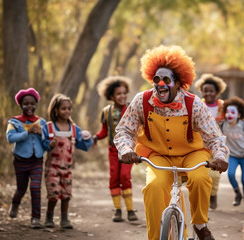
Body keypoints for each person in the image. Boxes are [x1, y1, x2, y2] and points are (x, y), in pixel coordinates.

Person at [114, 45, 229, 240]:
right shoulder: (141, 101)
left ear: (178, 83)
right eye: (156, 79)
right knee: (154, 188)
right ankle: (155, 237)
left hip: (192, 154)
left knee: (200, 179)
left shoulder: (195, 104)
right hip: (158, 155)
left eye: (166, 80)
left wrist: (219, 156)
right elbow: (125, 130)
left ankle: (200, 225)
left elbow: (214, 137)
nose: (160, 84)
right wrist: (126, 149)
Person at [41, 93, 93, 229]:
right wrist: (49, 144)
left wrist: (88, 139)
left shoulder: (74, 129)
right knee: (53, 193)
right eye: (63, 108)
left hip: (67, 169)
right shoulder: (49, 127)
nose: (67, 111)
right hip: (52, 167)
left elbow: (83, 145)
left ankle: (64, 219)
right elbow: (43, 143)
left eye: (69, 108)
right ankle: (49, 217)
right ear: (56, 110)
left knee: (66, 194)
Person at [93, 76, 138, 222]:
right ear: (111, 96)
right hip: (113, 150)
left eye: (124, 93)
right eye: (119, 94)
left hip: (129, 150)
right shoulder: (106, 112)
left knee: (125, 176)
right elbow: (104, 131)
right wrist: (95, 138)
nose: (122, 96)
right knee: (114, 178)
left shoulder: (132, 109)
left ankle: (130, 210)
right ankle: (118, 210)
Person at [6, 88, 47, 229]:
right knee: (21, 189)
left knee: (35, 187)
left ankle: (35, 218)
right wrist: (27, 131)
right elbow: (10, 138)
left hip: (37, 160)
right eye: (26, 103)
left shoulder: (41, 122)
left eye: (32, 103)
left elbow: (46, 142)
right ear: (20, 105)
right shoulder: (14, 122)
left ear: (36, 104)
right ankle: (15, 203)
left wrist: (43, 135)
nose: (29, 106)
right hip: (21, 160)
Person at [194, 73, 227, 210]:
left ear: (217, 92)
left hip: (219, 144)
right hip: (203, 144)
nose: (208, 93)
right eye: (205, 90)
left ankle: (214, 196)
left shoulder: (222, 106)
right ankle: (207, 197)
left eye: (211, 91)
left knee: (216, 174)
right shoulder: (198, 105)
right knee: (205, 172)